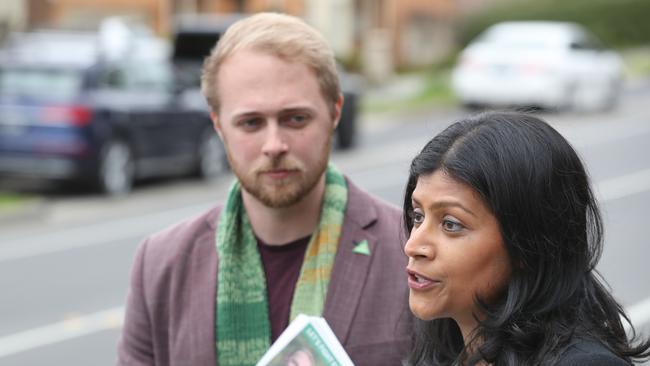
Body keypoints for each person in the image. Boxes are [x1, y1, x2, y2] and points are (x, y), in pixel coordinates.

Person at [117, 12, 410, 366]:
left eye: (295, 119)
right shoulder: (160, 263)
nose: (274, 144)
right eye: (251, 122)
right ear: (219, 125)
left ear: (334, 113)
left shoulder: (410, 250)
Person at [402, 111, 650, 365]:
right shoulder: (440, 353)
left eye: (451, 224)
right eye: (418, 216)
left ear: (527, 243)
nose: (413, 246)